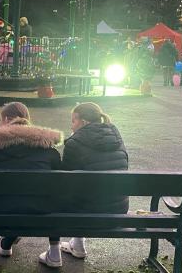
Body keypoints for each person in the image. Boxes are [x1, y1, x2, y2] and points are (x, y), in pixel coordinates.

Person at [0, 102, 63, 265]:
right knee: (32, 198)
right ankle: (11, 244)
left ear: (6, 119)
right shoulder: (49, 150)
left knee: (10, 200)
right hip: (39, 211)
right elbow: (59, 184)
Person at [50, 102, 128, 266]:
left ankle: (54, 253)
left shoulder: (74, 144)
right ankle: (78, 245)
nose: (71, 127)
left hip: (85, 212)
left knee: (57, 193)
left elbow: (65, 184)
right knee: (86, 191)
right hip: (117, 211)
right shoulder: (117, 138)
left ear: (84, 122)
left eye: (73, 121)